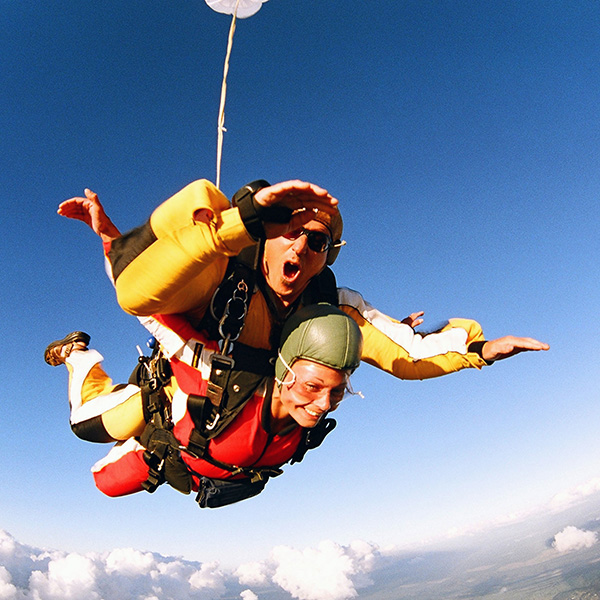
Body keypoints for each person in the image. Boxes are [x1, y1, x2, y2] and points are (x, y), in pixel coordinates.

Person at [58, 180, 549, 382]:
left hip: (255, 407)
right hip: (187, 388)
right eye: (286, 231)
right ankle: (73, 355)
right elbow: (140, 292)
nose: (300, 247)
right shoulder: (224, 273)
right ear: (263, 237)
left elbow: (407, 357)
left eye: (317, 242)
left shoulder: (333, 301)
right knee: (194, 203)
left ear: (327, 257)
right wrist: (238, 225)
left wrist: (480, 350)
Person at [45, 304, 364, 508]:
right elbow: (147, 307)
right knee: (84, 424)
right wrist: (110, 237)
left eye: (339, 392)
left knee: (106, 483)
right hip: (160, 411)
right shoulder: (214, 375)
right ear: (286, 371)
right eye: (313, 387)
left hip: (184, 463)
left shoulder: (303, 419)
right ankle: (76, 356)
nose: (325, 404)